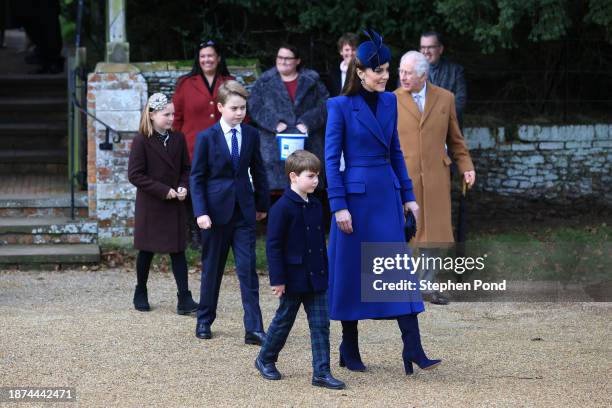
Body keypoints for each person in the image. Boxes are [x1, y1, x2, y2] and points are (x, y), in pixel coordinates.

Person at [325, 30, 440, 375]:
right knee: (350, 274)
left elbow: (395, 151)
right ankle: (349, 347)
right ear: (360, 72)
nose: (386, 77)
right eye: (379, 71)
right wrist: (338, 205)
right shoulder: (339, 106)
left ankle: (414, 348)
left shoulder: (390, 101)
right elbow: (331, 161)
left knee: (398, 274)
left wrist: (408, 196)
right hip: (354, 203)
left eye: (388, 70)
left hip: (386, 197)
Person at [254, 150, 345, 390]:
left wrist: (325, 271)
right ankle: (265, 359)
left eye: (317, 176)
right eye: (311, 176)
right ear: (293, 176)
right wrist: (278, 280)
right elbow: (273, 247)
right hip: (292, 278)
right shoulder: (281, 208)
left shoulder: (316, 204)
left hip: (316, 278)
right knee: (283, 321)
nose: (316, 180)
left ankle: (322, 372)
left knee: (320, 325)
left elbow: (318, 243)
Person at [190, 80, 270, 344]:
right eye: (234, 108)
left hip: (244, 213)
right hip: (214, 215)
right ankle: (204, 320)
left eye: (243, 108)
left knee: (247, 270)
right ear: (221, 107)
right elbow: (197, 177)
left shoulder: (251, 135)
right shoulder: (206, 137)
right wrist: (201, 211)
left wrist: (261, 204)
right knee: (212, 269)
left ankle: (254, 328)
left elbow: (259, 171)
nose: (239, 113)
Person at [394, 51, 476, 304]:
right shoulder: (390, 100)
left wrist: (466, 166)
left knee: (434, 234)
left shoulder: (445, 98)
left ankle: (427, 286)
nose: (402, 77)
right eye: (400, 71)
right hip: (404, 177)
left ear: (423, 74)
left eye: (408, 72)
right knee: (405, 232)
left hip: (436, 177)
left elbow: (455, 139)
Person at [127, 93, 199, 315]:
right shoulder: (141, 140)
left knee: (178, 251)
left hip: (175, 203)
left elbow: (186, 168)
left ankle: (184, 298)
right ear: (151, 115)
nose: (171, 118)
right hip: (152, 204)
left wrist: (182, 186)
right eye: (166, 114)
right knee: (146, 251)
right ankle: (141, 290)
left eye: (173, 114)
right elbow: (135, 175)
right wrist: (163, 190)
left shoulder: (177, 139)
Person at [173, 40, 235, 247]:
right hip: (192, 146)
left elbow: (239, 114)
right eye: (202, 56)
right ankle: (194, 230)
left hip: (223, 146)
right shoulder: (185, 83)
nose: (206, 60)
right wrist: (177, 144)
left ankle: (217, 228)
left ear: (218, 58)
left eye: (210, 56)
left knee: (217, 186)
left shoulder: (229, 82)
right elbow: (177, 118)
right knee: (193, 187)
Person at [248, 44, 329, 191]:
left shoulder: (312, 80)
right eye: (280, 57)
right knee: (277, 198)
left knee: (308, 192)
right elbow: (254, 106)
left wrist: (308, 121)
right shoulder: (264, 81)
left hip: (309, 147)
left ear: (297, 61)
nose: (282, 61)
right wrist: (274, 123)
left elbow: (326, 106)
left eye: (287, 58)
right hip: (273, 149)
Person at [419, 31, 467, 128]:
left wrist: (438, 119)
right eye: (423, 47)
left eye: (430, 47)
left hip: (449, 133)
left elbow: (460, 102)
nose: (426, 51)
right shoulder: (410, 72)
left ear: (440, 49)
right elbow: (405, 102)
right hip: (420, 133)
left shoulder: (456, 71)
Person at [326, 33, 358, 97]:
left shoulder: (364, 71)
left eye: (353, 49)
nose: (350, 53)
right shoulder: (334, 73)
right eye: (347, 50)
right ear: (341, 51)